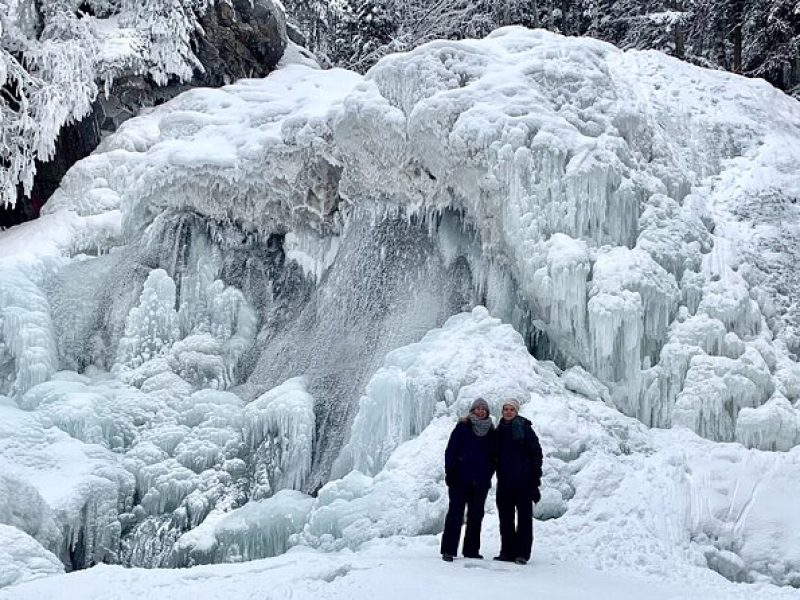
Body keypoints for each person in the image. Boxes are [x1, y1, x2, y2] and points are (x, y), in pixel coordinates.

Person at [441, 397, 495, 562]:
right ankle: (448, 550)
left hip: (480, 482)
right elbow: (450, 451)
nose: (480, 411)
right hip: (459, 480)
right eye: (477, 409)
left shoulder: (491, 431)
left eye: (483, 409)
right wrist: (450, 472)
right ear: (472, 411)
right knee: (455, 514)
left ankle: (471, 550)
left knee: (475, 516)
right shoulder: (462, 428)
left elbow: (493, 457)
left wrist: (487, 474)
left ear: (487, 412)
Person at [494, 398, 543, 566]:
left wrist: (535, 475)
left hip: (524, 481)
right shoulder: (499, 430)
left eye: (511, 409)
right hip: (505, 482)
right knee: (505, 519)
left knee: (524, 519)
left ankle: (522, 553)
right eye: (505, 409)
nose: (508, 412)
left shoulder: (525, 429)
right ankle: (507, 551)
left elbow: (536, 452)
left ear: (516, 411)